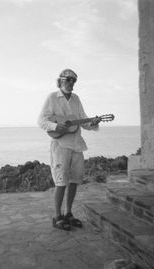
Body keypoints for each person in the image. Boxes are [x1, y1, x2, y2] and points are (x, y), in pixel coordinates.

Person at [37, 69, 100, 231]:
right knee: (61, 181)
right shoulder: (52, 97)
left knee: (74, 181)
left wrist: (93, 122)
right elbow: (41, 120)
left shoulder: (76, 99)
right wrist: (55, 126)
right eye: (69, 80)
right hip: (60, 147)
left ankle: (68, 213)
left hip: (77, 145)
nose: (72, 83)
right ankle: (57, 216)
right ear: (61, 80)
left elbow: (84, 122)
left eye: (74, 81)